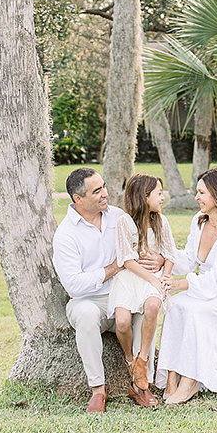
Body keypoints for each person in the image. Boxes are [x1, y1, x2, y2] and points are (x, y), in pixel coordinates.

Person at [52, 167, 155, 413]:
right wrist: (112, 268)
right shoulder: (66, 234)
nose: (105, 194)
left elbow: (139, 250)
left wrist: (156, 260)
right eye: (96, 191)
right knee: (85, 315)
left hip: (123, 293)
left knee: (148, 307)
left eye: (104, 187)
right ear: (78, 199)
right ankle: (98, 389)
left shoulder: (119, 217)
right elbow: (74, 285)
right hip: (89, 300)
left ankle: (140, 383)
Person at [156, 166, 217, 403]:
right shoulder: (199, 222)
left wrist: (181, 284)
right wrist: (164, 256)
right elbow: (190, 259)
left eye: (202, 193)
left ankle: (190, 382)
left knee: (195, 312)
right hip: (204, 289)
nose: (196, 197)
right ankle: (171, 379)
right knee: (175, 306)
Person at [108, 172, 176, 397]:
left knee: (153, 306)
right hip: (130, 278)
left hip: (152, 277)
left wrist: (162, 278)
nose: (162, 197)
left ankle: (144, 360)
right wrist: (153, 279)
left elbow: (170, 255)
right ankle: (131, 360)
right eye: (158, 193)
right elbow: (127, 260)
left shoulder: (161, 221)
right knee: (122, 322)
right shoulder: (124, 222)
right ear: (144, 196)